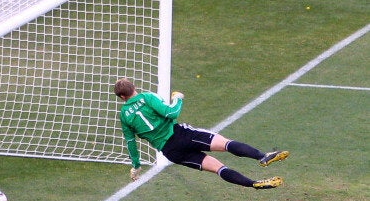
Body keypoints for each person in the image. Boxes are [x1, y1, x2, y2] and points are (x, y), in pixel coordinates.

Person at [114, 78, 289, 189]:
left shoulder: (124, 116)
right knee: (226, 144)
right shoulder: (147, 97)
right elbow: (171, 113)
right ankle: (262, 156)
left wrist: (136, 166)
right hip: (180, 134)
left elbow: (131, 143)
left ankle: (254, 184)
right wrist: (177, 98)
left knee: (219, 168)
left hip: (170, 152)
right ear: (133, 88)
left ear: (122, 97)